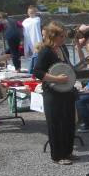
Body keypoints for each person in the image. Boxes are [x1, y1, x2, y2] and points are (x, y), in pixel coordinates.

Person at [33, 21, 78, 165]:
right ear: (53, 37)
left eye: (64, 36)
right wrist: (56, 79)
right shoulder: (45, 51)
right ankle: (58, 155)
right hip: (52, 92)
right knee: (56, 123)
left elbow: (67, 67)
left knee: (69, 122)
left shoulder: (63, 48)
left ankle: (68, 151)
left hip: (66, 91)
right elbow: (38, 72)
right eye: (61, 37)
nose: (64, 39)